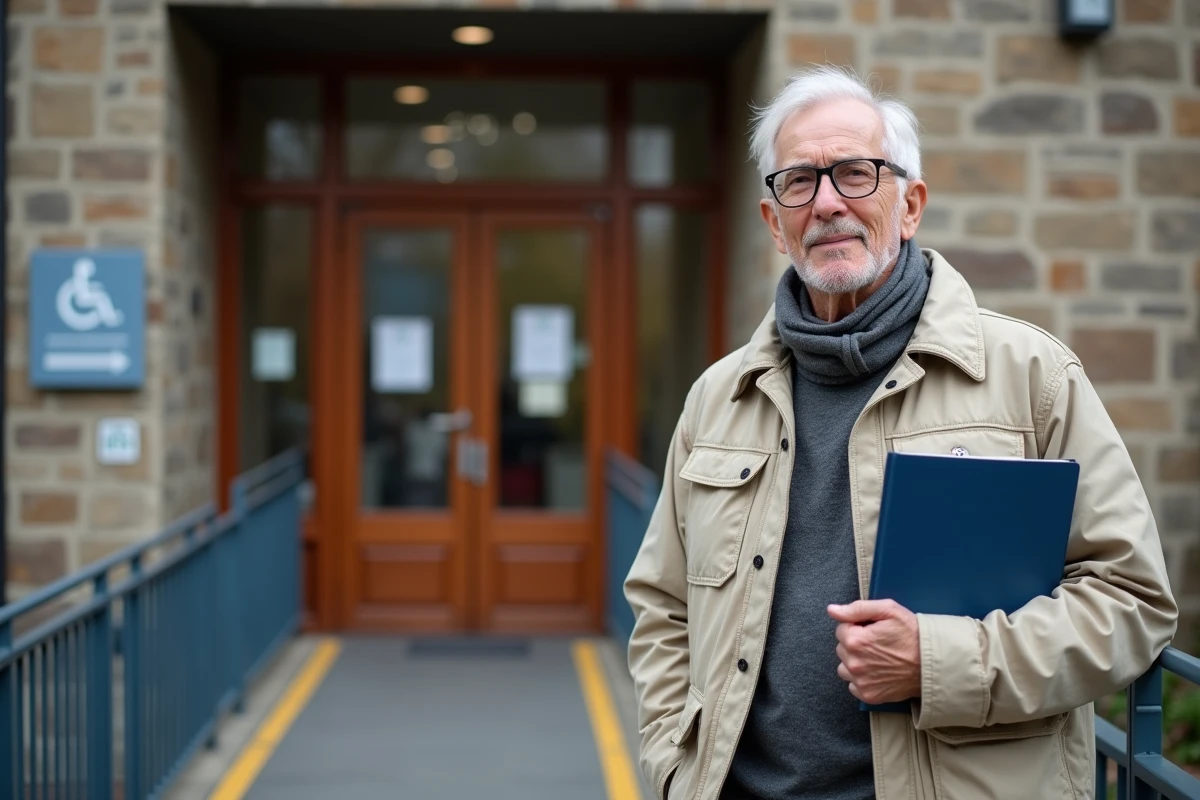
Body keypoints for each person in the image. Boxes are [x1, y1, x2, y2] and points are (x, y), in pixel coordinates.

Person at [622, 65, 1178, 800]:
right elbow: (663, 608)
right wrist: (673, 768)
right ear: (774, 222)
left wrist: (942, 662)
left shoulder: (1031, 375)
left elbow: (1132, 600)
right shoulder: (718, 397)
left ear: (909, 204)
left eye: (855, 173)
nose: (826, 204)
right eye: (799, 182)